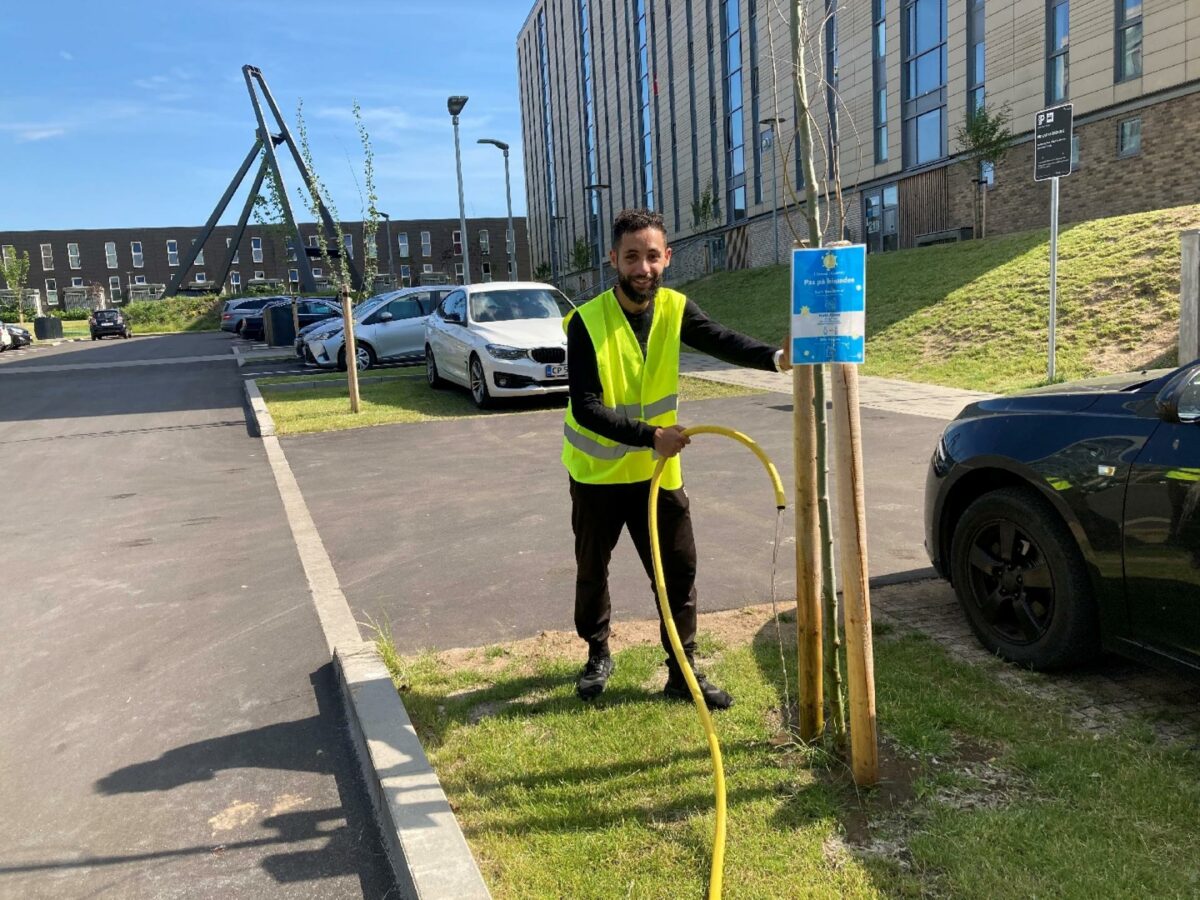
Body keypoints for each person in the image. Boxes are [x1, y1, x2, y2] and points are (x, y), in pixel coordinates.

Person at [562, 208, 792, 709]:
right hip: (598, 476)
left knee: (678, 570)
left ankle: (681, 669)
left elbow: (719, 339)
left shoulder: (674, 308)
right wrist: (651, 436)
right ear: (613, 259)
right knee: (592, 570)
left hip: (657, 475)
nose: (642, 267)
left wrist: (775, 358)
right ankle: (598, 653)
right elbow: (586, 407)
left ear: (666, 258)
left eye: (651, 256)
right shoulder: (586, 321)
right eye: (631, 257)